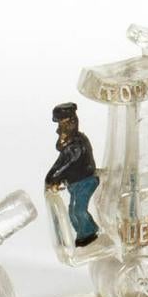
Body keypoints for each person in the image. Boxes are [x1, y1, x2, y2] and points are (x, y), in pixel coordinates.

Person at [45, 102, 100, 247]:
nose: (58, 130)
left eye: (61, 124)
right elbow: (62, 162)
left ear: (69, 123)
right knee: (72, 211)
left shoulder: (76, 145)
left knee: (78, 209)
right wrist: (53, 178)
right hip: (76, 183)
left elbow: (66, 164)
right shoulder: (70, 144)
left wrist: (52, 178)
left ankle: (88, 233)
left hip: (86, 182)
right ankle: (82, 234)